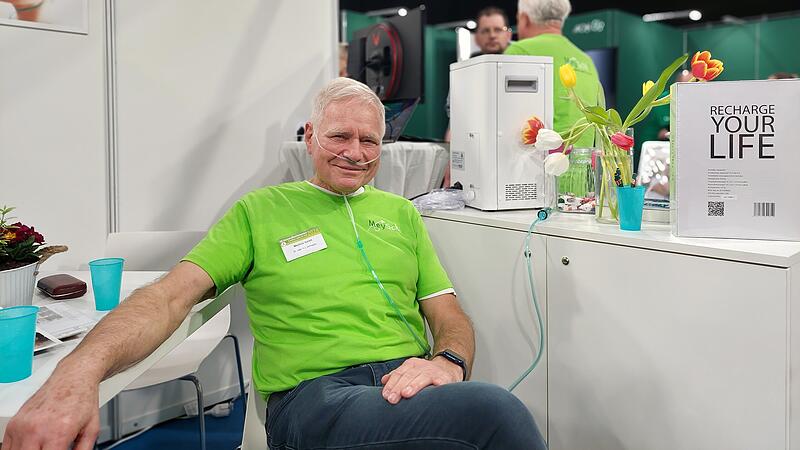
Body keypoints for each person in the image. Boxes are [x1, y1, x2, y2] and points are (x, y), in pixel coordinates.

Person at [4, 78, 547, 450]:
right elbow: (171, 295)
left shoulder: (401, 214)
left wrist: (448, 362)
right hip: (315, 398)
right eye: (339, 136)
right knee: (496, 415)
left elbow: (449, 315)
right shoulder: (259, 211)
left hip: (406, 381)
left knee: (478, 410)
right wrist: (77, 374)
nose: (355, 152)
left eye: (370, 141)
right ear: (310, 137)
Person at [505, 0, 601, 148]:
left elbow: (503, 118)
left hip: (537, 167)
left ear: (524, 19)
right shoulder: (586, 61)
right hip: (583, 167)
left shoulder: (519, 51)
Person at [443, 6, 514, 187]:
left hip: (515, 156)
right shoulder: (463, 71)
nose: (492, 35)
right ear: (477, 37)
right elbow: (455, 121)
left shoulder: (525, 63)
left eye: (498, 29)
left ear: (509, 34)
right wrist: (450, 164)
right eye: (485, 30)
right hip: (476, 158)